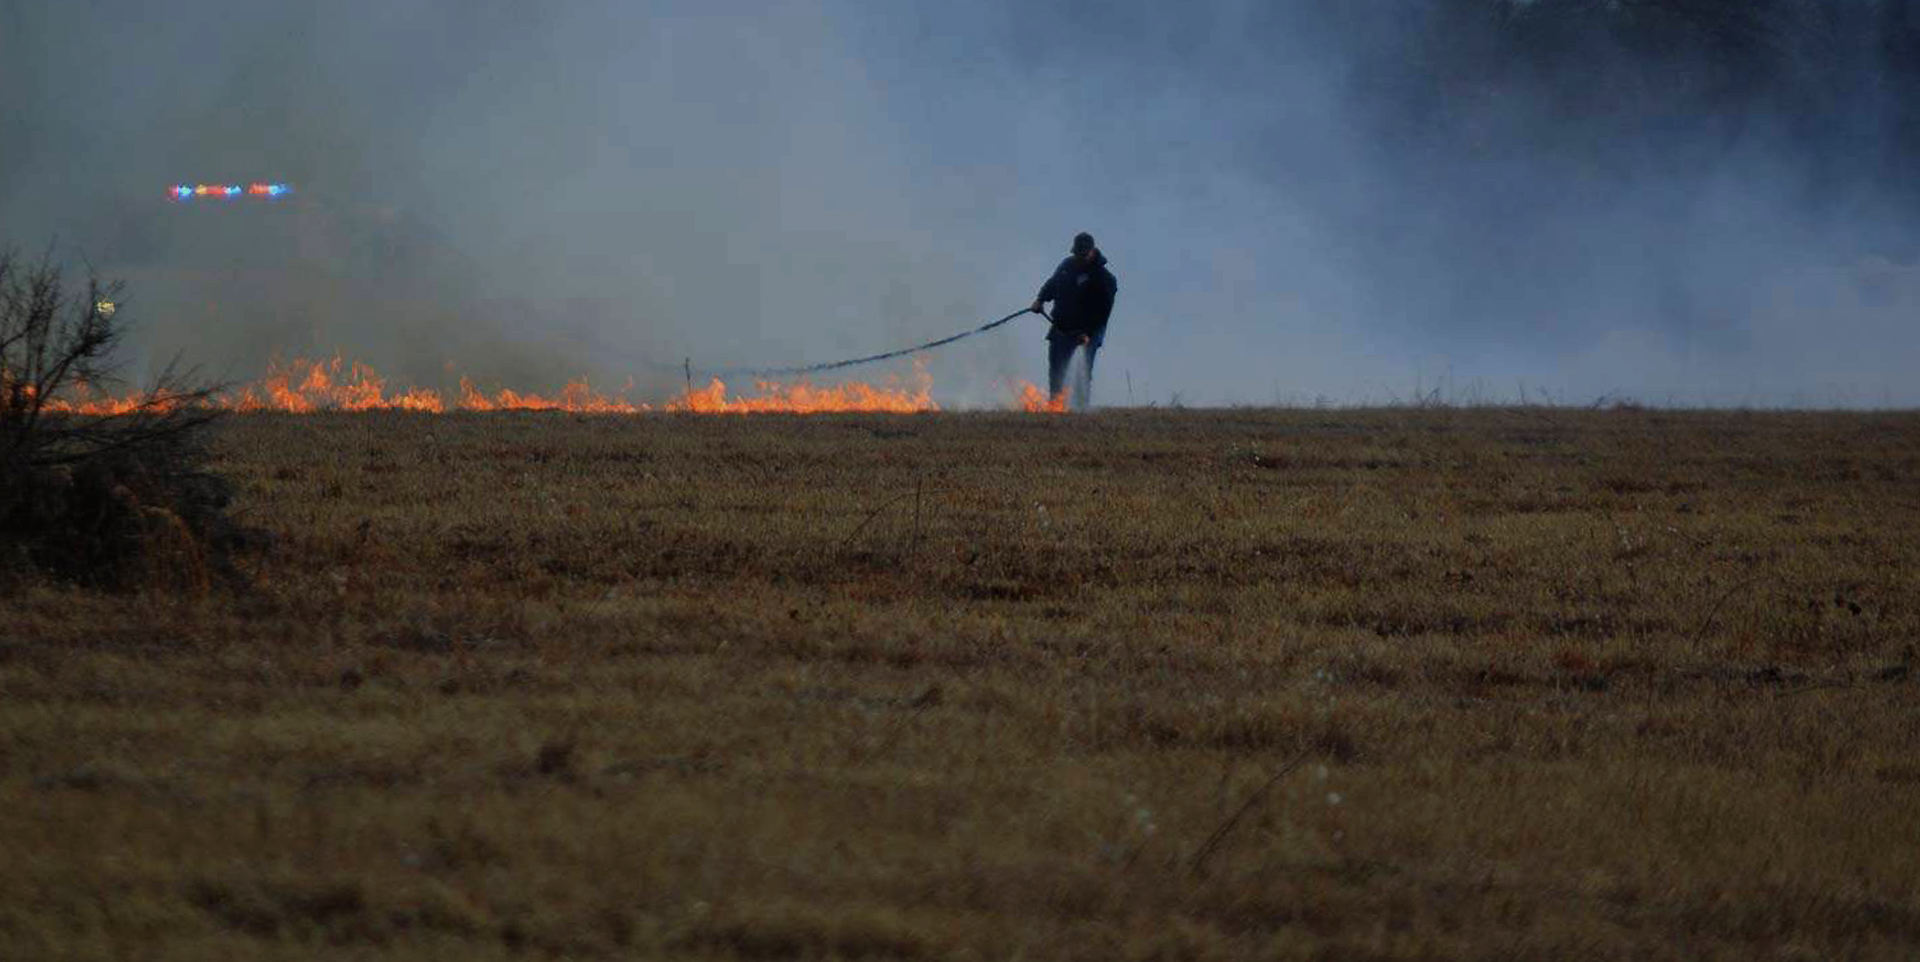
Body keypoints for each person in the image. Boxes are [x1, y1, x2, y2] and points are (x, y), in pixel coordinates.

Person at [1030, 232, 1118, 410]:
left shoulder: (1104, 279)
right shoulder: (1066, 265)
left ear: (1092, 252)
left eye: (1083, 255)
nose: (1079, 258)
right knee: (1056, 368)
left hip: (1088, 331)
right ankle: (1055, 406)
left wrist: (1088, 334)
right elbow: (1053, 284)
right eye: (1077, 254)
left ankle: (1080, 410)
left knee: (1081, 372)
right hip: (1061, 326)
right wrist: (1040, 299)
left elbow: (1102, 313)